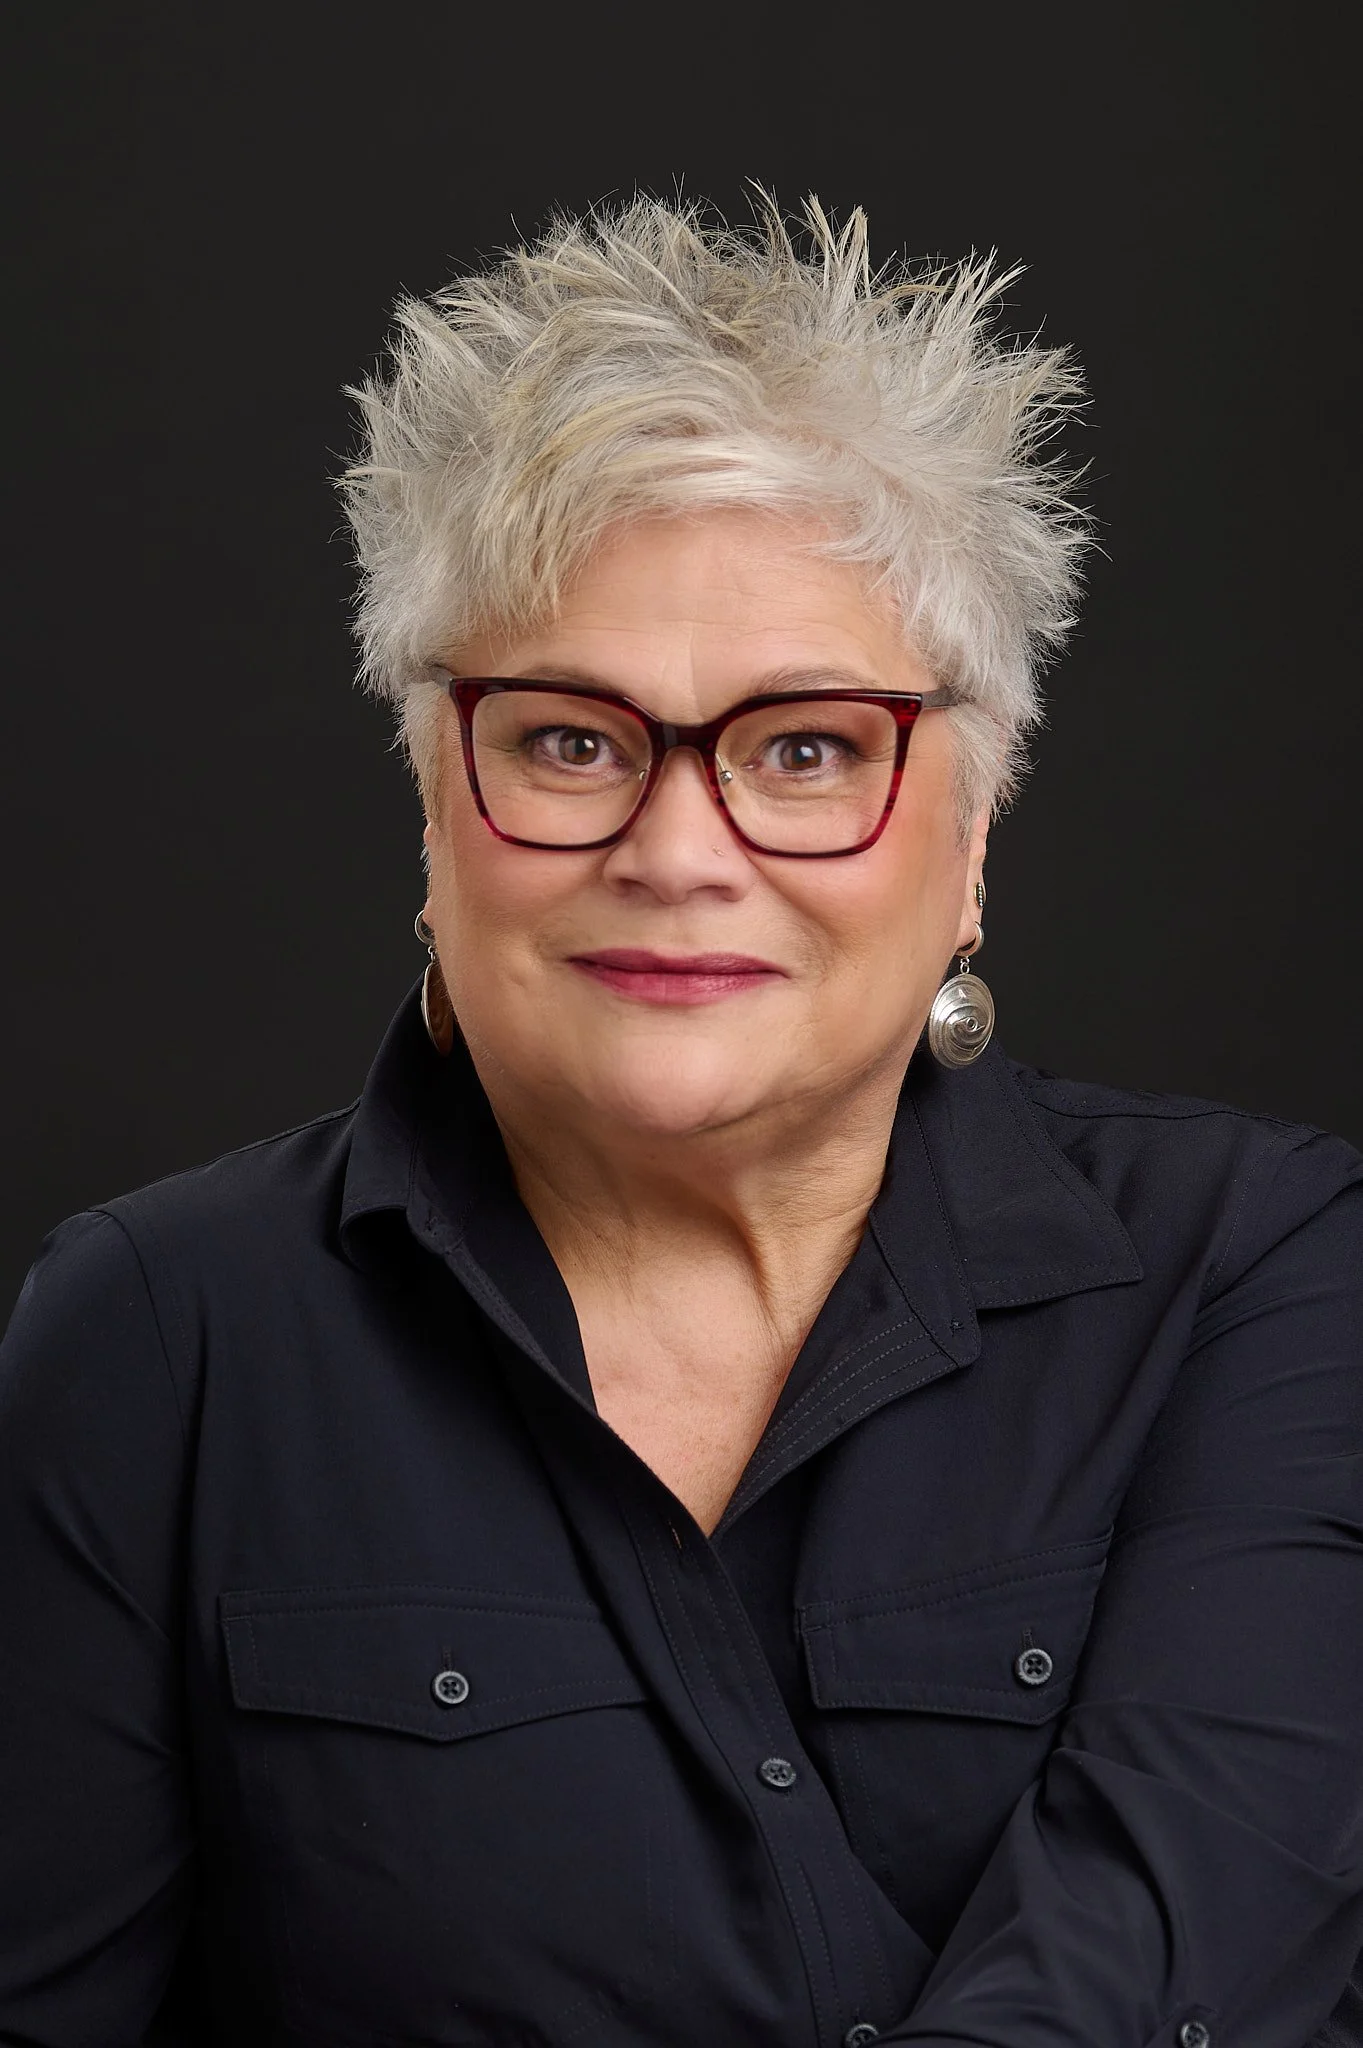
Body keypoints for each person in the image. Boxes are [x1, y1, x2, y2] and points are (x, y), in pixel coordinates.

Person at [1, 194, 1359, 2048]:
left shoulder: (1267, 1275)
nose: (674, 850)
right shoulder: (158, 1336)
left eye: (805, 748)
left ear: (972, 847)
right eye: (570, 739)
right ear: (434, 812)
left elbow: (1173, 1957)